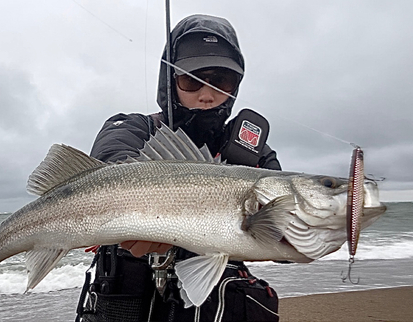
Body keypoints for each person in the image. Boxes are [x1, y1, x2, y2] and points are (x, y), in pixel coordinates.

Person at [76, 14, 281, 322]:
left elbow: (285, 232)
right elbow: (110, 161)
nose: (207, 94)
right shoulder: (135, 128)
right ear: (170, 80)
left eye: (221, 81)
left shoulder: (255, 154)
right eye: (191, 79)